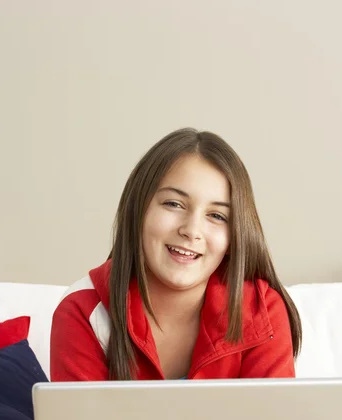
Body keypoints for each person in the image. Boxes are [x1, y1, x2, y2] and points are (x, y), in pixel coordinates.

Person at [50, 128, 302, 381]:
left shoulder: (262, 311)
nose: (192, 231)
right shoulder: (83, 310)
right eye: (173, 204)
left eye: (217, 216)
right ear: (138, 208)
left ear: (235, 236)